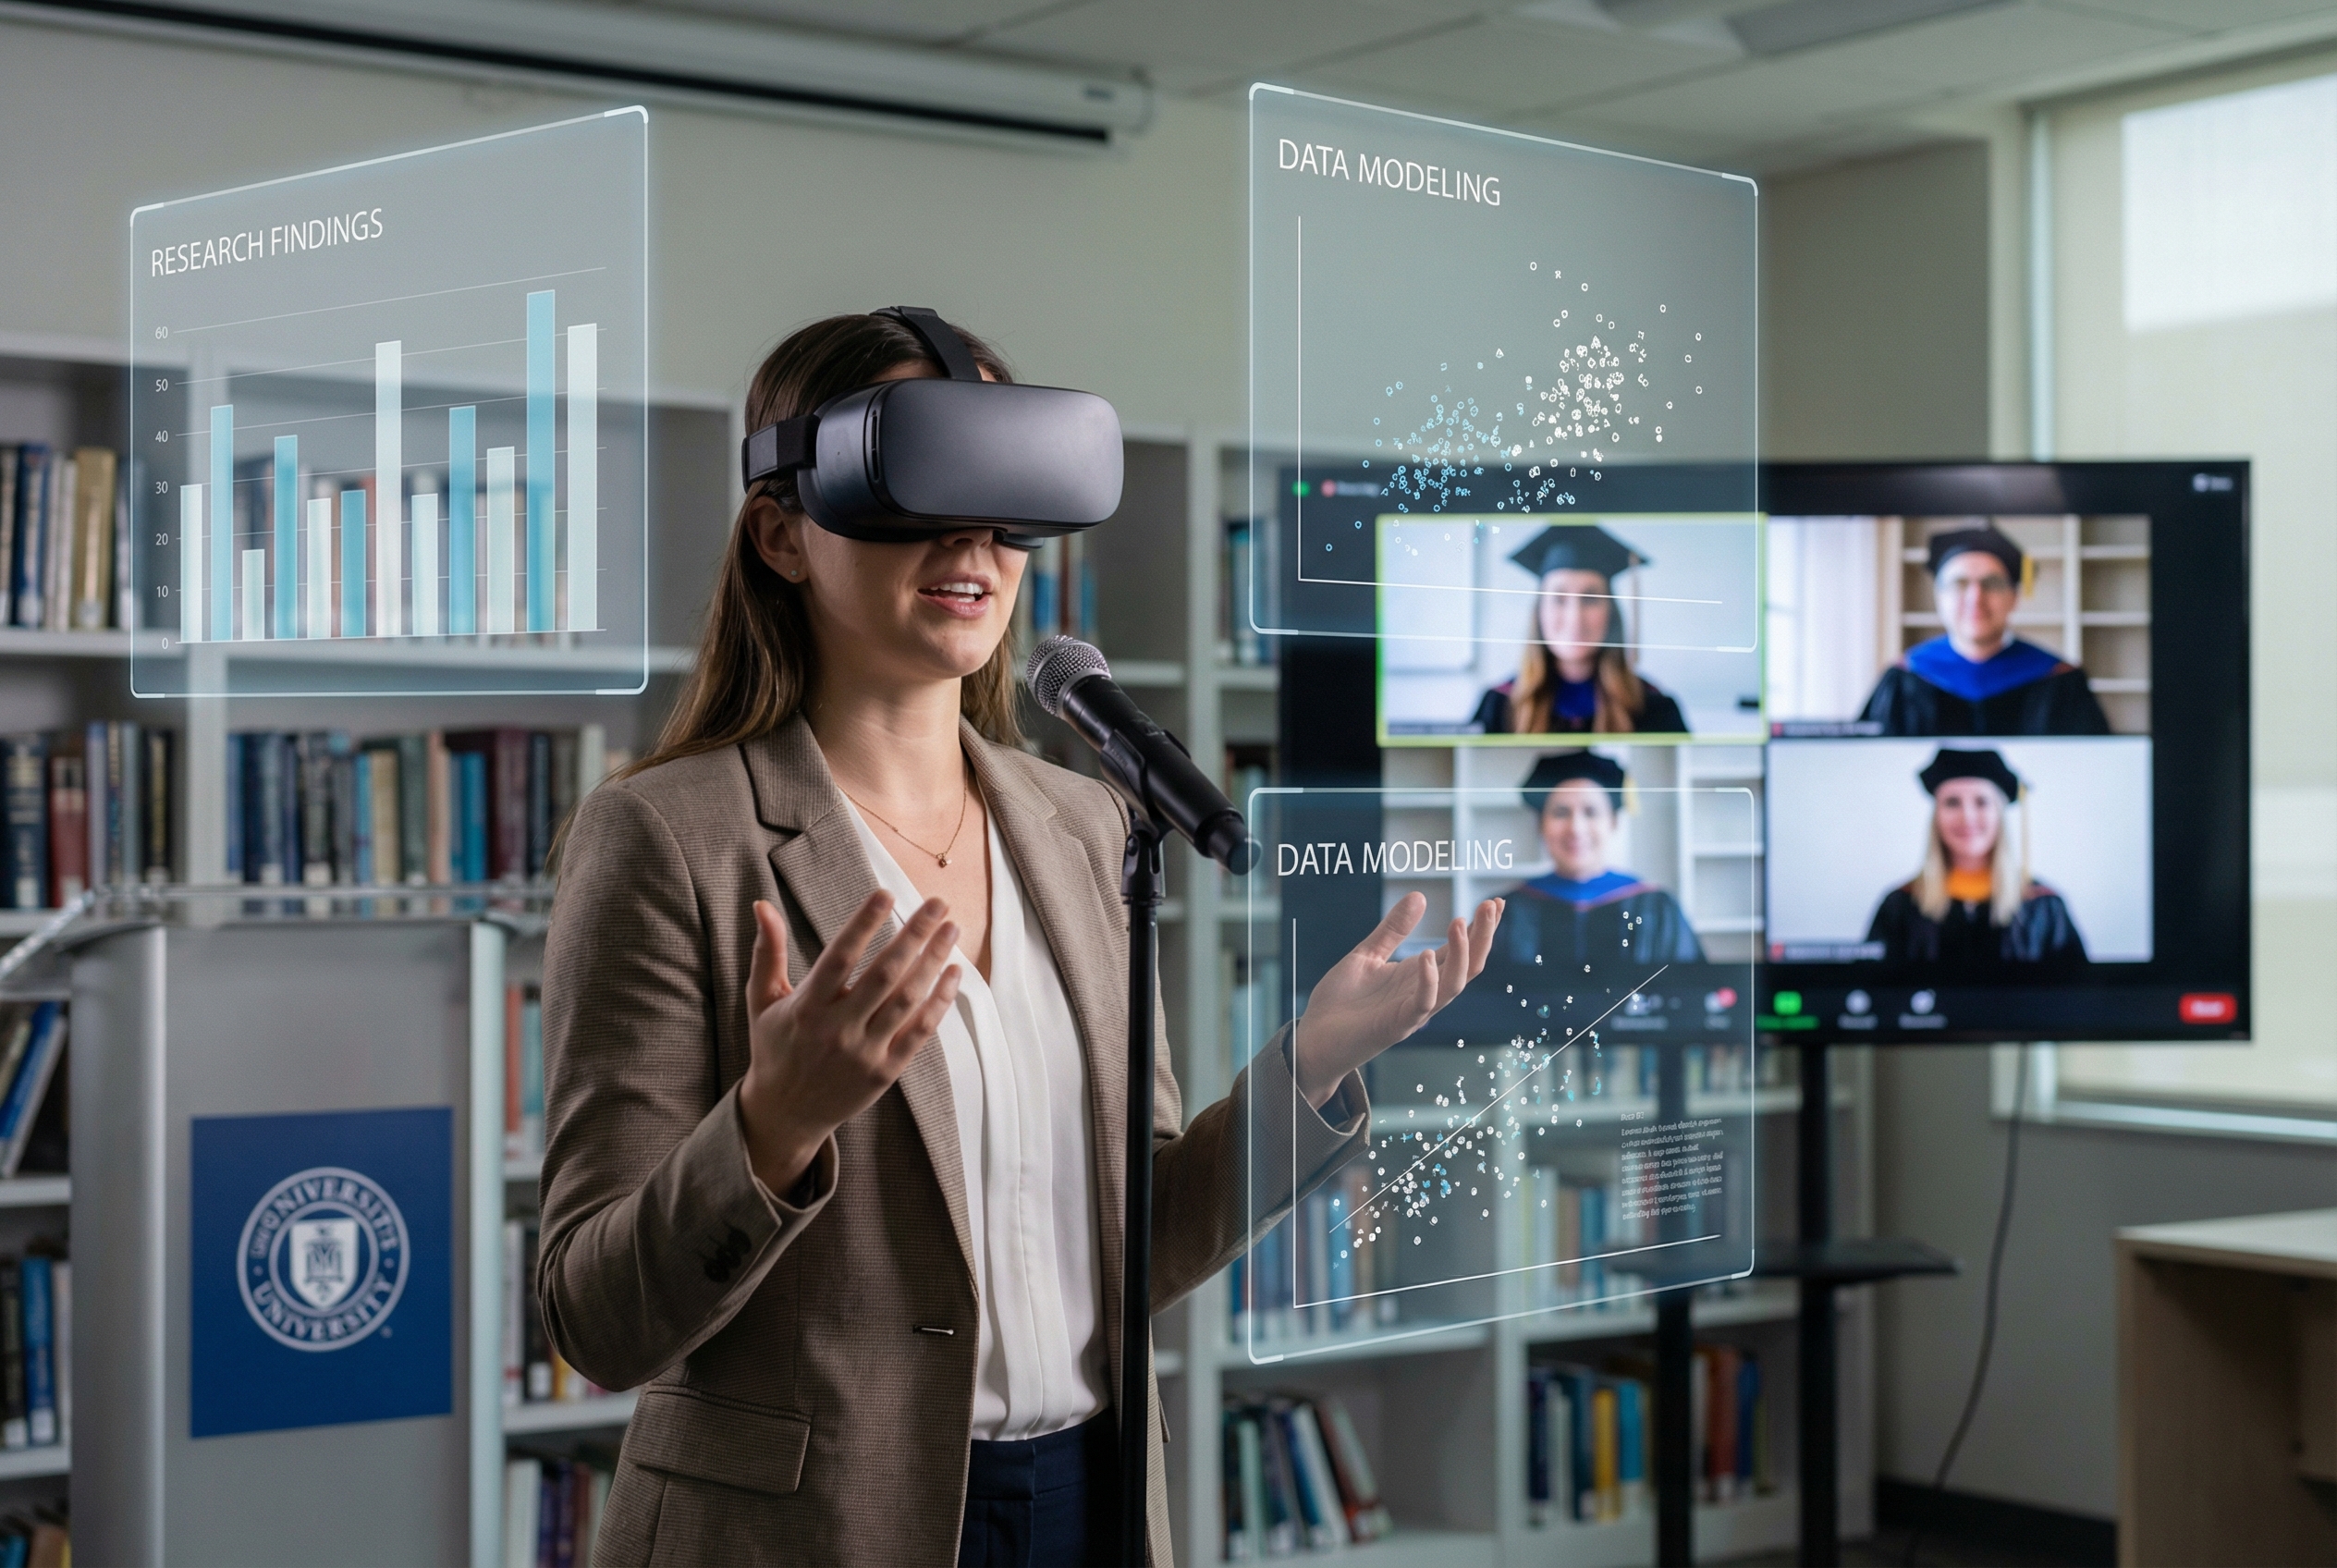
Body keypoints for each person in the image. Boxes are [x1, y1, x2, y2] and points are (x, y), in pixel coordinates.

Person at [536, 310, 1504, 1568]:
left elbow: (1135, 1254)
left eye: (1006, 508)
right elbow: (594, 1317)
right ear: (782, 532)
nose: (972, 545)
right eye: (924, 491)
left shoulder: (1088, 825)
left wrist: (1306, 1069)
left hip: (1088, 1507)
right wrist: (772, 1126)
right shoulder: (667, 839)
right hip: (812, 1530)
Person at [1858, 526, 2112, 735]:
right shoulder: (1905, 678)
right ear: (1939, 597)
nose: (1975, 598)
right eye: (1959, 584)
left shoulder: (2059, 680)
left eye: (1992, 584)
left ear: (2014, 598)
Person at [1864, 748, 2087, 969]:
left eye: (1981, 802)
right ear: (1936, 815)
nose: (1967, 817)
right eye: (1952, 802)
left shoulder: (2043, 906)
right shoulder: (1900, 906)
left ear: (1999, 814)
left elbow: (2075, 996)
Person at [1495, 751, 1705, 972]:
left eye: (1591, 812)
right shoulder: (1507, 911)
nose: (1576, 828)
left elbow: (1691, 994)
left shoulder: (1656, 907)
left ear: (1613, 822)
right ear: (1540, 825)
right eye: (1560, 813)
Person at [1471, 524, 1690, 736]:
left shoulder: (1654, 709)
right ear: (1539, 612)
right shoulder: (1499, 707)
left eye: (1590, 598)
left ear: (1611, 613)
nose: (1575, 618)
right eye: (1558, 598)